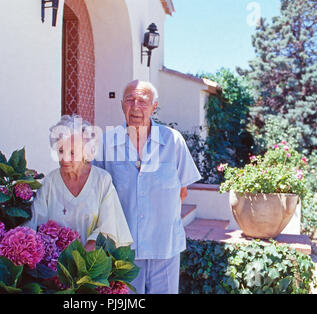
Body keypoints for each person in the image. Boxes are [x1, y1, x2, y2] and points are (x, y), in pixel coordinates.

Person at [93, 80, 202, 293]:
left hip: (165, 246)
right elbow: (97, 193)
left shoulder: (173, 141)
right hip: (123, 251)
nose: (135, 107)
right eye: (130, 100)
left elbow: (182, 191)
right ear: (122, 105)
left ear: (154, 106)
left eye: (142, 102)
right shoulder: (107, 142)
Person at [24, 115, 133, 251]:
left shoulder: (102, 180)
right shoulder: (49, 183)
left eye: (72, 152)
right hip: (54, 268)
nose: (65, 159)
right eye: (61, 151)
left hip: (91, 264)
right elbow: (35, 224)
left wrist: (81, 260)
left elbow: (109, 227)